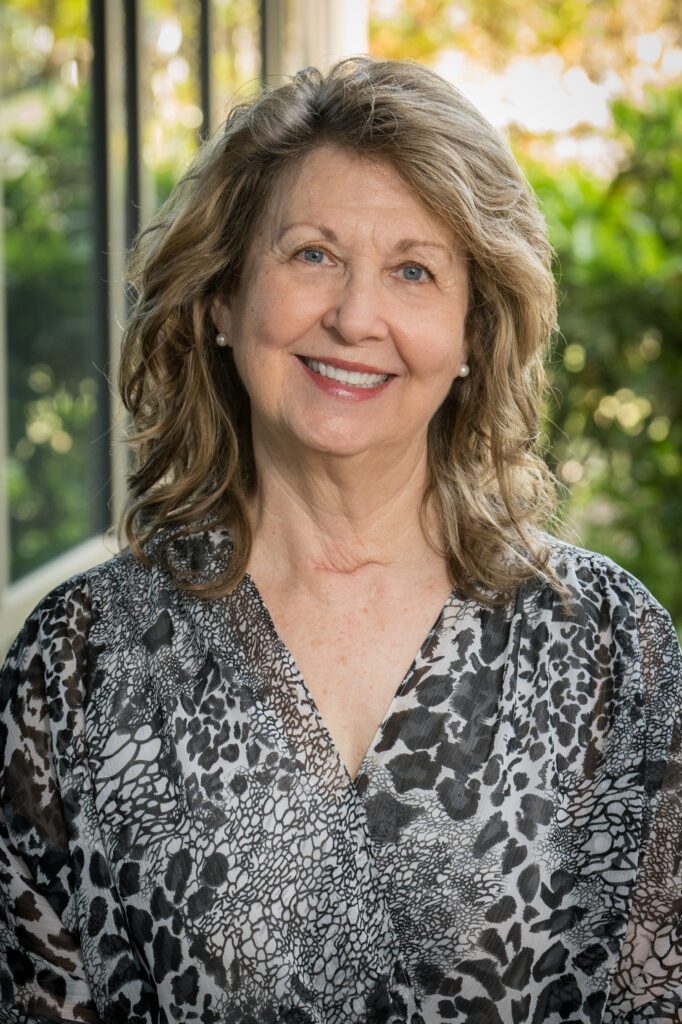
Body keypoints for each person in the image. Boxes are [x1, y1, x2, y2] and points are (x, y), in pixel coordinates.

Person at [0, 57, 680, 1024]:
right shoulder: (76, 664)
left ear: (472, 334)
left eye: (414, 271)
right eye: (311, 255)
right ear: (222, 301)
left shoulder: (613, 646)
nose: (356, 318)